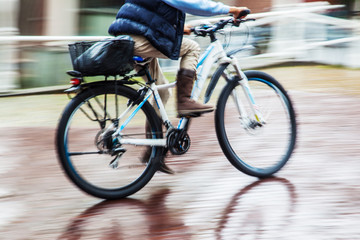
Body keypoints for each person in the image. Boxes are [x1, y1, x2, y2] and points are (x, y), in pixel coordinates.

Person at [108, 0, 249, 117]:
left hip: (128, 38)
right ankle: (184, 101)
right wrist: (232, 10)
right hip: (140, 39)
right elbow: (195, 5)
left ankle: (154, 147)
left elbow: (149, 16)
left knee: (162, 92)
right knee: (192, 48)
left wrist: (179, 29)